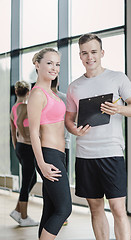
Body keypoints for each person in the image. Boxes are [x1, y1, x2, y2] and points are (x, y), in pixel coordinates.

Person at [65, 34, 131, 240]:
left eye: (93, 52)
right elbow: (68, 119)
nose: (89, 57)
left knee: (118, 208)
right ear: (80, 56)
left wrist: (118, 109)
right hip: (85, 155)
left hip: (111, 153)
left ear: (102, 53)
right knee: (96, 209)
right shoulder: (74, 86)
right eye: (84, 53)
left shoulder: (118, 78)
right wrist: (74, 130)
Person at [27, 48, 72, 240]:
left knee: (51, 209)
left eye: (57, 64)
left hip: (59, 155)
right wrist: (42, 164)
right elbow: (33, 133)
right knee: (64, 209)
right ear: (37, 65)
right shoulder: (37, 94)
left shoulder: (52, 93)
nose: (54, 68)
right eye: (49, 63)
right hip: (48, 156)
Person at [10, 80, 38, 227]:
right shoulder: (24, 107)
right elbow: (20, 124)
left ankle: (17, 210)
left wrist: (17, 146)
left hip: (21, 147)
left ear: (16, 92)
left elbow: (12, 131)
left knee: (31, 180)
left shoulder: (13, 108)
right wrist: (27, 138)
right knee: (27, 181)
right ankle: (24, 217)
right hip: (26, 147)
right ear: (28, 93)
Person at [51, 76, 70, 226]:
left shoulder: (40, 96)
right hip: (61, 146)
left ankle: (57, 211)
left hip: (58, 146)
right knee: (63, 177)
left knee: (52, 181)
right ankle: (61, 213)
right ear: (58, 82)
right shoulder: (63, 98)